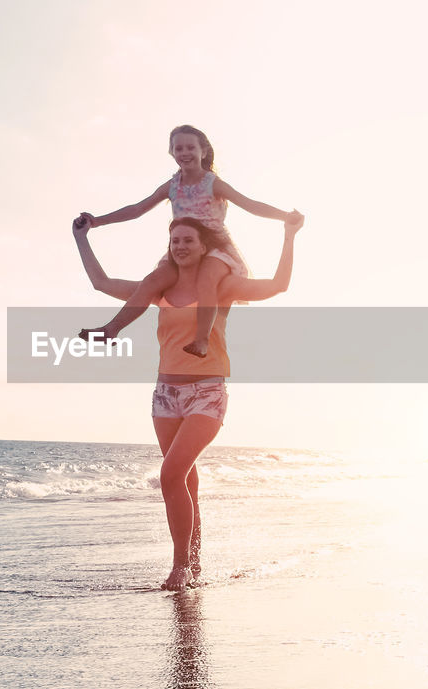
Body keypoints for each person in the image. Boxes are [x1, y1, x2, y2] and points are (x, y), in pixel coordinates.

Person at [73, 213, 304, 590]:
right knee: (186, 483)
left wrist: (289, 235)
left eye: (188, 241)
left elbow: (278, 285)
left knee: (170, 475)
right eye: (175, 241)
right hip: (165, 395)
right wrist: (82, 238)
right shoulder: (159, 288)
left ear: (203, 247)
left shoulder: (223, 286)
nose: (180, 246)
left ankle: (179, 567)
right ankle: (194, 564)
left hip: (207, 392)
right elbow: (102, 283)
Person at [75, 124, 303, 358]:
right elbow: (137, 209)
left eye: (190, 147)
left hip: (214, 246)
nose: (185, 152)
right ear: (172, 153)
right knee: (152, 280)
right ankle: (111, 330)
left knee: (207, 279)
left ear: (203, 151)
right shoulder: (172, 185)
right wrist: (97, 221)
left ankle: (201, 339)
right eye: (178, 148)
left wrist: (285, 216)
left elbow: (249, 204)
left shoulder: (212, 183)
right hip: (182, 245)